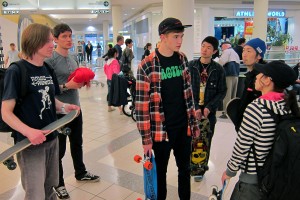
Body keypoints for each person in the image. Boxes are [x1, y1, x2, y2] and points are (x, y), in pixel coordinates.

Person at [1, 23, 80, 200]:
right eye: (48, 41)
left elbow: (50, 99)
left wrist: (64, 107)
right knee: (35, 192)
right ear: (35, 42)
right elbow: (6, 112)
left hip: (51, 138)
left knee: (50, 187)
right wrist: (29, 132)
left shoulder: (47, 68)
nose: (53, 44)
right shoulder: (17, 70)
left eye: (52, 41)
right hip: (30, 144)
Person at [135, 17, 200, 200]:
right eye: (176, 37)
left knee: (185, 170)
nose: (180, 41)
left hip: (183, 128)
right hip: (160, 131)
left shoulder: (182, 59)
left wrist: (193, 125)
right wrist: (146, 139)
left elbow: (189, 95)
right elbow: (141, 107)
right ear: (163, 37)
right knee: (160, 174)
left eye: (182, 36)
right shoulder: (147, 65)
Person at [221, 61, 298, 200]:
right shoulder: (287, 104)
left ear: (268, 80)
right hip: (274, 177)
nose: (256, 77)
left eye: (260, 74)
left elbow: (242, 145)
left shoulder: (257, 108)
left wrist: (229, 171)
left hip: (252, 181)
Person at [46, 23, 100, 200]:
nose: (69, 39)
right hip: (59, 112)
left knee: (77, 144)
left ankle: (80, 172)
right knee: (59, 151)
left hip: (76, 109)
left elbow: (76, 77)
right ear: (55, 39)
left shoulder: (74, 57)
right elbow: (47, 89)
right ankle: (59, 183)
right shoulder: (50, 60)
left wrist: (84, 81)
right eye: (64, 37)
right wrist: (65, 86)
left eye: (70, 36)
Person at [188, 36, 227, 177]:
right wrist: (196, 107)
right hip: (192, 112)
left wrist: (209, 107)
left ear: (214, 51)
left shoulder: (218, 69)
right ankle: (190, 166)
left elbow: (222, 91)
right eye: (203, 46)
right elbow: (186, 89)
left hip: (208, 113)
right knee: (191, 140)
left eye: (209, 47)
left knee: (205, 140)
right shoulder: (190, 66)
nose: (204, 49)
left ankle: (201, 168)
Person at [234, 38, 267, 132]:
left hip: (255, 129)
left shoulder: (262, 78)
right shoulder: (250, 76)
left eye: (249, 51)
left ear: (259, 56)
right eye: (244, 50)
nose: (244, 54)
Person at [218, 41, 240, 119]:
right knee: (233, 95)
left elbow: (221, 62)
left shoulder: (227, 51)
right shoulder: (235, 52)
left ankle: (226, 112)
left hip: (228, 75)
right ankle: (232, 112)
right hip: (236, 75)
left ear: (225, 46)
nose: (221, 48)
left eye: (222, 47)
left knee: (227, 94)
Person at [103, 47, 121, 112]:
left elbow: (105, 70)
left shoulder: (107, 61)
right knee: (117, 93)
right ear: (115, 54)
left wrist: (108, 75)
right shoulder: (115, 61)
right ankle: (121, 110)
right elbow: (116, 72)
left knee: (110, 93)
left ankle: (109, 107)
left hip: (109, 79)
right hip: (115, 80)